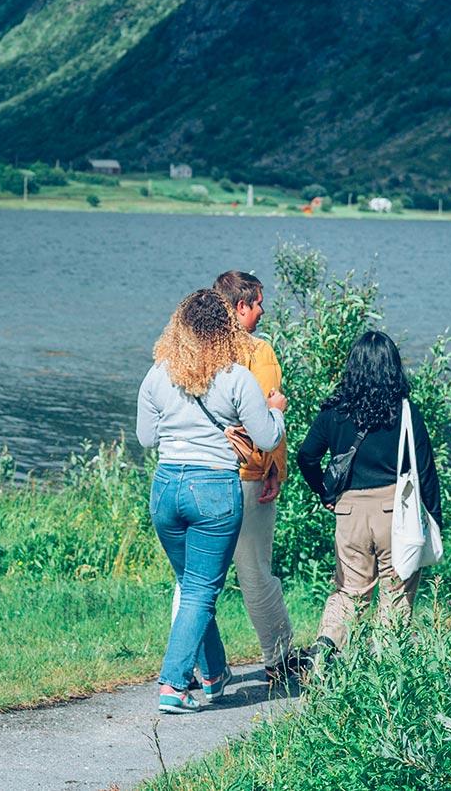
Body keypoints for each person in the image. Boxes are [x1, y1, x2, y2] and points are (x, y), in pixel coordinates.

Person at [137, 288, 286, 713]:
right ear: (225, 328)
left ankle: (214, 673)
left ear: (179, 328)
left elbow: (147, 439)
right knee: (202, 590)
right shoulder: (236, 377)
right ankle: (173, 685)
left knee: (190, 584)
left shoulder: (157, 374)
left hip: (166, 487)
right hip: (214, 490)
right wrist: (276, 408)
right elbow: (268, 437)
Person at [295, 328, 440, 656]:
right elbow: (426, 471)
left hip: (350, 512)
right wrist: (434, 520)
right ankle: (386, 669)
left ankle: (327, 644)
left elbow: (306, 456)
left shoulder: (334, 411)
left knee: (349, 593)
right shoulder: (404, 412)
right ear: (393, 367)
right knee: (396, 591)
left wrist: (325, 494)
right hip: (395, 513)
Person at [210, 269, 298, 681]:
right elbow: (264, 413)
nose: (263, 310)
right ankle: (278, 658)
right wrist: (274, 469)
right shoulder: (259, 352)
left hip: (204, 470)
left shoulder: (201, 349)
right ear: (242, 306)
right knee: (254, 569)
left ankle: (197, 664)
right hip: (248, 474)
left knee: (198, 576)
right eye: (259, 302)